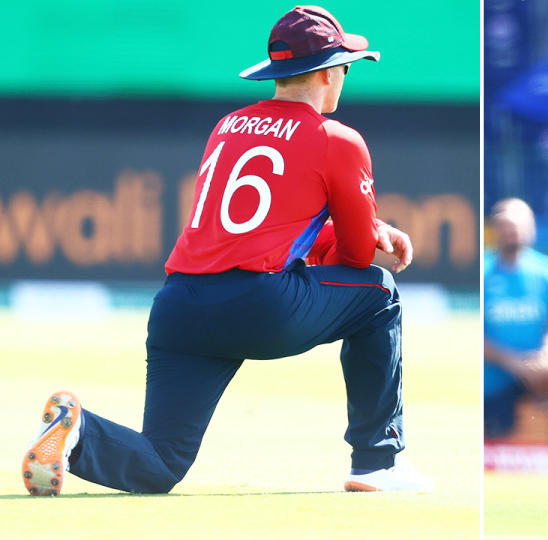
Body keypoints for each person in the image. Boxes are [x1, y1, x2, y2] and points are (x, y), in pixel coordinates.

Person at [22, 5, 433, 496]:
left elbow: (257, 228)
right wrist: (370, 236)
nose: (345, 78)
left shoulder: (229, 124)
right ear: (327, 71)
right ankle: (377, 463)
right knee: (379, 293)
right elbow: (355, 255)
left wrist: (365, 228)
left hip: (178, 307)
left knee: (160, 464)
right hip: (257, 306)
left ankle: (79, 433)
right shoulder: (337, 139)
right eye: (346, 67)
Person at [484, 198, 548, 441]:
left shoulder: (547, 271)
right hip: (493, 373)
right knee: (495, 443)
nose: (513, 233)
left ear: (531, 229)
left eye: (519, 226)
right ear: (496, 230)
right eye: (507, 227)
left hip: (537, 369)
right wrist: (512, 361)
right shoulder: (484, 270)